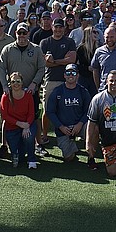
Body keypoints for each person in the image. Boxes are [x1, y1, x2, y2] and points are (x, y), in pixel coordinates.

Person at [0, 22, 46, 154]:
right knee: (6, 117)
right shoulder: (7, 49)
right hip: (12, 90)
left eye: (24, 33)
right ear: (15, 33)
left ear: (28, 33)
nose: (22, 35)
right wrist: (4, 86)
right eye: (19, 33)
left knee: (34, 116)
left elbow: (42, 68)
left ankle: (39, 144)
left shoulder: (36, 49)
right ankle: (4, 145)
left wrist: (34, 83)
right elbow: (1, 68)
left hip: (30, 91)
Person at [39, 18, 78, 147]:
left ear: (64, 28)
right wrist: (62, 60)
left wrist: (54, 61)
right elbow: (43, 62)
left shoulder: (69, 41)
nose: (58, 30)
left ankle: (69, 134)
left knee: (67, 109)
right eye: (56, 27)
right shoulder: (45, 42)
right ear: (52, 27)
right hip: (50, 79)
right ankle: (44, 136)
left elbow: (71, 60)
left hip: (67, 80)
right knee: (47, 109)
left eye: (60, 27)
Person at [46, 64, 91, 162]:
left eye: (73, 73)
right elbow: (50, 112)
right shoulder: (57, 91)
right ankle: (72, 146)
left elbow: (88, 111)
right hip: (63, 128)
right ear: (64, 75)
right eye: (68, 73)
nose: (71, 75)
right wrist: (61, 127)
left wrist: (80, 124)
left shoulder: (83, 91)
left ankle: (91, 156)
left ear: (77, 75)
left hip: (79, 126)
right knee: (69, 158)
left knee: (92, 128)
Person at [0, 71, 38, 169]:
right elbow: (5, 116)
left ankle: (32, 159)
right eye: (13, 82)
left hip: (27, 125)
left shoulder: (28, 95)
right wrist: (20, 124)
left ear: (22, 83)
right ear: (10, 83)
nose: (16, 84)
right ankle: (18, 151)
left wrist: (27, 125)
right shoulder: (5, 96)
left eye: (18, 81)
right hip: (12, 127)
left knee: (28, 137)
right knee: (19, 156)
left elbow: (31, 114)